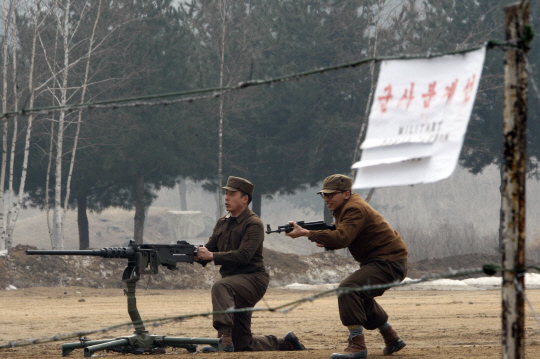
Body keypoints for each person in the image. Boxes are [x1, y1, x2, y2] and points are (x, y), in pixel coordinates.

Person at [285, 174, 408, 359]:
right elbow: (343, 236)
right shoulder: (347, 208)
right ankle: (391, 338)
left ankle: (357, 346)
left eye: (331, 195)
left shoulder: (354, 209)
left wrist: (308, 233)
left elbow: (343, 238)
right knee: (360, 295)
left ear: (346, 194)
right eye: (324, 195)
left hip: (389, 263)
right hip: (384, 261)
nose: (326, 199)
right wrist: (321, 236)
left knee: (348, 289)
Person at [196, 176, 306, 353]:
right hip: (232, 284)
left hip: (252, 280)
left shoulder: (253, 224)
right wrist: (191, 253)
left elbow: (244, 256)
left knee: (220, 286)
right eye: (226, 194)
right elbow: (209, 248)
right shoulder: (222, 222)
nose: (226, 198)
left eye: (232, 194)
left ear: (245, 199)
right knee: (243, 344)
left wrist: (211, 256)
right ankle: (285, 343)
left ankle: (223, 338)